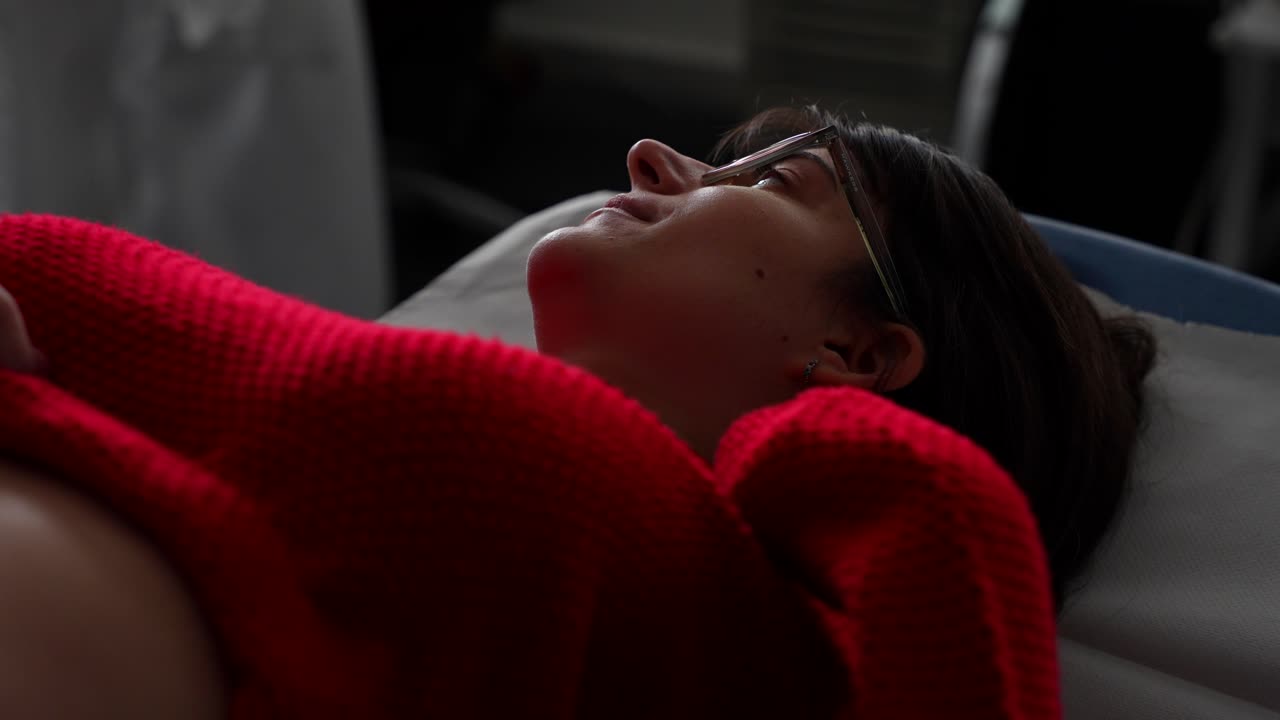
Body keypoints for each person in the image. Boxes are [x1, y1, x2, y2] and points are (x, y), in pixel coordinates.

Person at [0, 105, 1154, 718]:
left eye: (767, 183)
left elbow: (954, 538)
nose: (652, 156)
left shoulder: (806, 544)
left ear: (856, 352)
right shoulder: (635, 519)